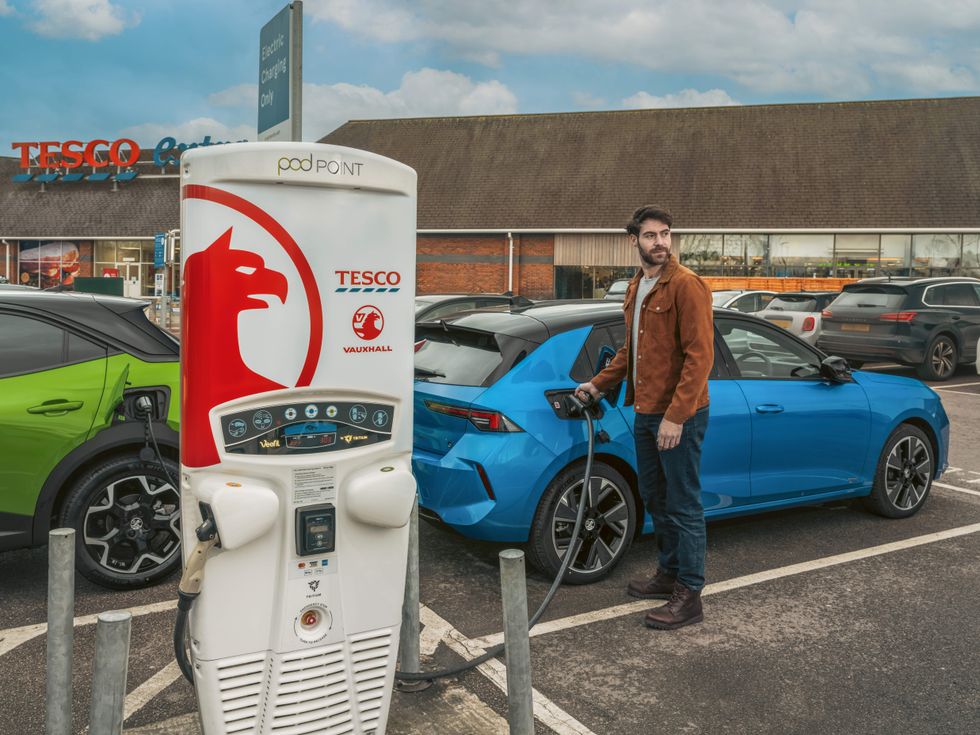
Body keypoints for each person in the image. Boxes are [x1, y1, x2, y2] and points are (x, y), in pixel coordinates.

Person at [576, 205, 713, 630]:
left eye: (665, 234)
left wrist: (676, 416)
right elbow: (631, 352)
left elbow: (699, 357)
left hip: (679, 416)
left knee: (685, 503)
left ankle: (689, 595)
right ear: (633, 240)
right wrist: (597, 384)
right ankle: (668, 573)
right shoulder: (638, 286)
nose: (660, 243)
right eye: (651, 235)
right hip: (646, 410)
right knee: (657, 499)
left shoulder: (686, 286)